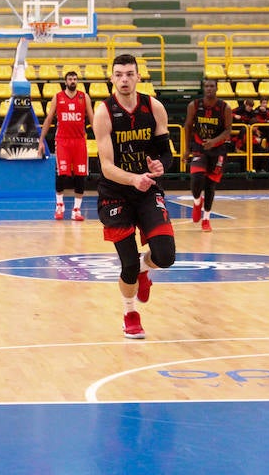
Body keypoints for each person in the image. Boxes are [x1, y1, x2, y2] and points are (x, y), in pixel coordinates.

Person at [92, 54, 175, 340]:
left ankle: (143, 269)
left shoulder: (154, 107)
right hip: (115, 192)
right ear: (112, 78)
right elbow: (106, 166)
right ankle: (130, 314)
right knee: (127, 263)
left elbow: (166, 153)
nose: (124, 79)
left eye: (129, 74)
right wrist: (132, 179)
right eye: (119, 74)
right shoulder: (104, 112)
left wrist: (161, 166)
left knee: (165, 256)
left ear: (139, 76)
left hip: (147, 188)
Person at [38, 70, 95, 221]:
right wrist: (41, 140)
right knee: (61, 174)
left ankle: (76, 210)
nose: (72, 81)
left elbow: (92, 119)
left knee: (80, 176)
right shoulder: (58, 97)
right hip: (62, 141)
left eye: (75, 79)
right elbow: (49, 119)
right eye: (70, 79)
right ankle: (59, 206)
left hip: (79, 141)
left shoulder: (84, 97)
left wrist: (101, 139)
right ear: (65, 82)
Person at [184, 79, 232, 232]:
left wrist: (214, 141)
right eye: (206, 86)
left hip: (218, 149)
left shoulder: (225, 107)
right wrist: (187, 149)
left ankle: (206, 219)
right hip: (199, 146)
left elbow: (228, 130)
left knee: (210, 185)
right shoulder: (194, 105)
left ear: (217, 88)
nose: (209, 88)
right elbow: (188, 126)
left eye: (212, 86)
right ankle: (197, 201)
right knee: (196, 178)